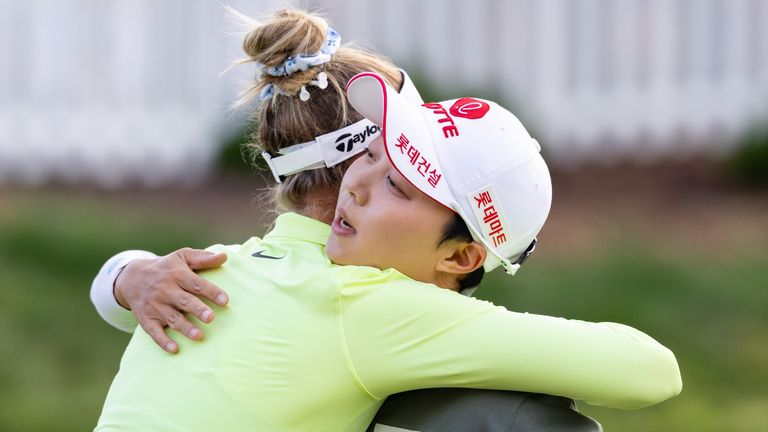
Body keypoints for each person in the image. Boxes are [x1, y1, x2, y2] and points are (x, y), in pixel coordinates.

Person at [92, 9, 679, 432]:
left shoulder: (214, 268)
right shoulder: (373, 306)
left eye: (398, 180)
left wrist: (125, 273)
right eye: (376, 160)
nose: (364, 186)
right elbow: (653, 373)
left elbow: (114, 291)